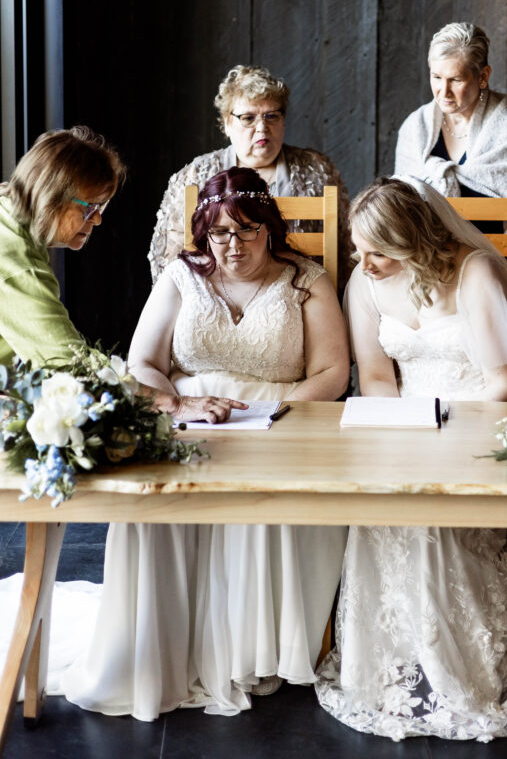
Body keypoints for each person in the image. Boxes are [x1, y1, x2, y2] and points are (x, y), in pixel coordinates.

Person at [63, 167, 350, 722]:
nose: (233, 245)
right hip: (188, 421)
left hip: (281, 426)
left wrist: (279, 413)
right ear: (203, 234)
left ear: (269, 228)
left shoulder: (305, 280)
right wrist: (174, 406)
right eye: (220, 233)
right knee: (160, 500)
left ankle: (251, 651)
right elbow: (144, 362)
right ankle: (166, 644)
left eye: (246, 230)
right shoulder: (180, 276)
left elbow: (334, 372)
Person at [315, 177, 507, 743]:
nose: (364, 262)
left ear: (414, 241)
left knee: (430, 512)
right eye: (359, 248)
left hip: (479, 422)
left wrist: (445, 432)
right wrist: (406, 431)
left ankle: (457, 667)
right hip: (406, 425)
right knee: (381, 501)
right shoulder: (366, 282)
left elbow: (504, 380)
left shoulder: (474, 271)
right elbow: (378, 377)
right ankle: (388, 662)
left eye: (378, 251)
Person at [0, 126, 234, 424]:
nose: (97, 219)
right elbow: (66, 361)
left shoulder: (9, 217)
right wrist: (172, 404)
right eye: (90, 208)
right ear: (51, 196)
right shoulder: (15, 260)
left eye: (102, 207)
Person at [149, 64, 352, 286]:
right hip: (220, 296)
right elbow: (169, 259)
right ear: (227, 123)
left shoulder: (316, 170)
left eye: (271, 116)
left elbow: (345, 250)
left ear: (283, 119)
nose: (262, 128)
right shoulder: (197, 175)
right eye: (248, 118)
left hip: (299, 293)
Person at [394, 22, 507, 233]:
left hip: (496, 258)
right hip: (425, 260)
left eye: (456, 80)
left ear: (483, 76)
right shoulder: (415, 128)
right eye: (437, 77)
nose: (444, 91)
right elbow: (400, 214)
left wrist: (489, 265)